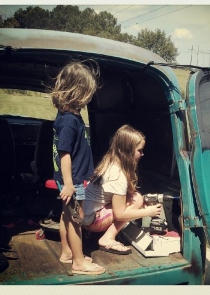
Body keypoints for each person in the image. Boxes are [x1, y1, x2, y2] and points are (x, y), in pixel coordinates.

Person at [51, 60, 105, 275]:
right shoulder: (69, 122)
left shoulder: (69, 116)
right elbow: (64, 154)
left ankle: (67, 253)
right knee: (76, 218)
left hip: (69, 179)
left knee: (66, 214)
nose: (90, 97)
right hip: (71, 180)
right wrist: (70, 184)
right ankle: (79, 262)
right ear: (78, 91)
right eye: (88, 92)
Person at [83, 124, 162, 255]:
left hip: (85, 215)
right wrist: (148, 212)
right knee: (137, 200)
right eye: (140, 150)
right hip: (91, 221)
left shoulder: (109, 161)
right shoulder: (118, 176)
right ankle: (107, 238)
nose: (143, 154)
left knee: (135, 197)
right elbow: (120, 215)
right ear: (128, 151)